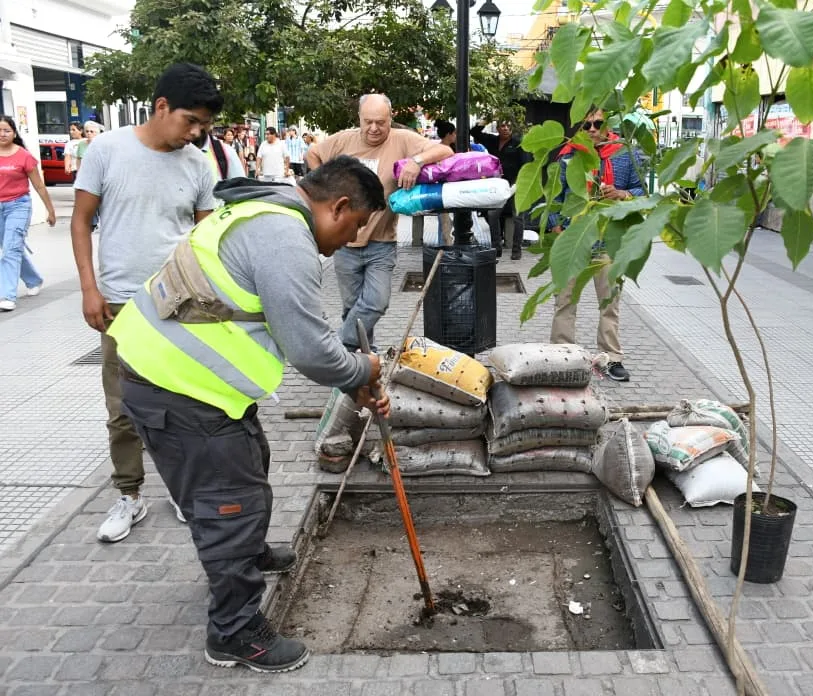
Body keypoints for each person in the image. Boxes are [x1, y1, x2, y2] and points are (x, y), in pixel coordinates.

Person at [106, 156, 389, 674]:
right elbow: (309, 349)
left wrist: (358, 378)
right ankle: (234, 633)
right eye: (353, 227)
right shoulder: (284, 237)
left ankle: (247, 553)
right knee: (226, 504)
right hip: (178, 387)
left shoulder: (261, 210)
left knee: (248, 462)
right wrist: (362, 368)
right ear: (339, 205)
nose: (351, 240)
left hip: (182, 381)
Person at [71, 63, 223, 543]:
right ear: (161, 107)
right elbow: (81, 222)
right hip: (119, 304)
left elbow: (205, 237)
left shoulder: (199, 165)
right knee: (123, 409)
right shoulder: (107, 150)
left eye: (205, 126)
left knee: (182, 403)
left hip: (180, 304)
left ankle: (182, 490)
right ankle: (129, 496)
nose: (197, 133)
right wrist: (89, 289)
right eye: (191, 121)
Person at [305, 93, 453, 352]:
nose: (374, 128)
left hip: (381, 243)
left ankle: (336, 349)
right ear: (360, 119)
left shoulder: (402, 139)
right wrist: (323, 186)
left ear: (390, 119)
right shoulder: (343, 140)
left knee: (375, 302)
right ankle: (360, 360)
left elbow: (445, 150)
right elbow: (312, 154)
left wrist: (415, 162)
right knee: (353, 308)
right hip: (344, 244)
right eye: (368, 122)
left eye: (381, 122)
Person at [548, 108, 641, 383]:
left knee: (609, 303)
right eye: (586, 124)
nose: (591, 129)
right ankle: (562, 356)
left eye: (597, 123)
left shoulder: (625, 154)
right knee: (564, 302)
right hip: (573, 242)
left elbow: (641, 191)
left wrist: (622, 194)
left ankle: (611, 358)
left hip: (609, 242)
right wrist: (556, 225)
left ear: (608, 125)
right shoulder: (569, 155)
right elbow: (555, 194)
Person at [0, 115, 56, 311]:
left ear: (14, 133)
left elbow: (39, 186)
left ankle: (7, 296)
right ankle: (34, 279)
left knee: (10, 249)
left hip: (18, 206)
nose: (2, 134)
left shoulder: (23, 155)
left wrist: (50, 210)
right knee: (11, 248)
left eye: (6, 130)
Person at [471, 115, 531, 259]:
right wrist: (487, 119)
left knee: (518, 217)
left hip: (515, 184)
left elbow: (526, 165)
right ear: (497, 127)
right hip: (497, 184)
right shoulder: (492, 140)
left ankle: (516, 249)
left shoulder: (518, 143)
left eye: (508, 126)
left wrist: (519, 184)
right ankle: (496, 247)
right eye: (502, 126)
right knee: (493, 215)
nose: (505, 128)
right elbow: (473, 132)